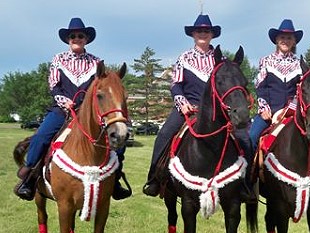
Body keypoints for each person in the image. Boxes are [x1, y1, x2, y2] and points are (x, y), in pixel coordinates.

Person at [14, 17, 131, 201]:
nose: (77, 38)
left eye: (81, 36)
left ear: (86, 39)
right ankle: (29, 178)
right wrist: (64, 101)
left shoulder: (96, 63)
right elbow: (53, 85)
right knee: (41, 137)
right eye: (73, 36)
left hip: (88, 115)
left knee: (117, 143)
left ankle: (115, 180)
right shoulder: (58, 59)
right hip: (62, 111)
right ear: (68, 39)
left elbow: (102, 88)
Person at [143, 14, 222, 196]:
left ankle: (240, 182)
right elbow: (175, 85)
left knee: (239, 137)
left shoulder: (220, 58)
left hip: (213, 111)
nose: (203, 33)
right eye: (199, 31)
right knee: (163, 135)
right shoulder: (184, 58)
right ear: (193, 34)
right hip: (188, 107)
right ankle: (154, 178)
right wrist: (182, 103)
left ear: (212, 35)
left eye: (206, 31)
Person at [249, 19, 303, 151]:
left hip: (291, 113)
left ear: (294, 41)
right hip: (269, 112)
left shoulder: (299, 64)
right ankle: (249, 170)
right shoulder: (266, 61)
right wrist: (264, 108)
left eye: (289, 38)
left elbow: (301, 90)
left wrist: (292, 109)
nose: (285, 40)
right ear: (276, 40)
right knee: (252, 137)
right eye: (282, 37)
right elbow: (260, 87)